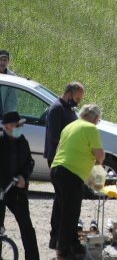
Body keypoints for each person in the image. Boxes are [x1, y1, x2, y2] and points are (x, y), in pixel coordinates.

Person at [50, 104, 105, 259]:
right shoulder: (90, 128)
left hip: (56, 168)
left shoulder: (70, 126)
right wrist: (97, 162)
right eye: (98, 120)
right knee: (71, 212)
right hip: (71, 172)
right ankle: (64, 250)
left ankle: (65, 242)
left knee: (62, 209)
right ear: (95, 118)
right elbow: (100, 155)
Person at [44, 82, 84, 251]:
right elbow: (55, 137)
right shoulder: (56, 109)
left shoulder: (69, 109)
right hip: (58, 159)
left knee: (61, 202)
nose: (78, 102)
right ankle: (60, 239)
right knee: (64, 202)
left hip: (67, 159)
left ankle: (57, 237)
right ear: (68, 93)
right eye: (77, 98)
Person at [0, 111, 39, 260]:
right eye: (17, 125)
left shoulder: (22, 140)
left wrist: (24, 177)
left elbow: (29, 162)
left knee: (27, 228)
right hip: (2, 191)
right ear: (8, 126)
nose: (19, 127)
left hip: (17, 192)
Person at [0, 50, 18, 116]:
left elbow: (12, 101)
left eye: (5, 60)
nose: (2, 62)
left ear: (8, 61)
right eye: (0, 60)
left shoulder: (12, 77)